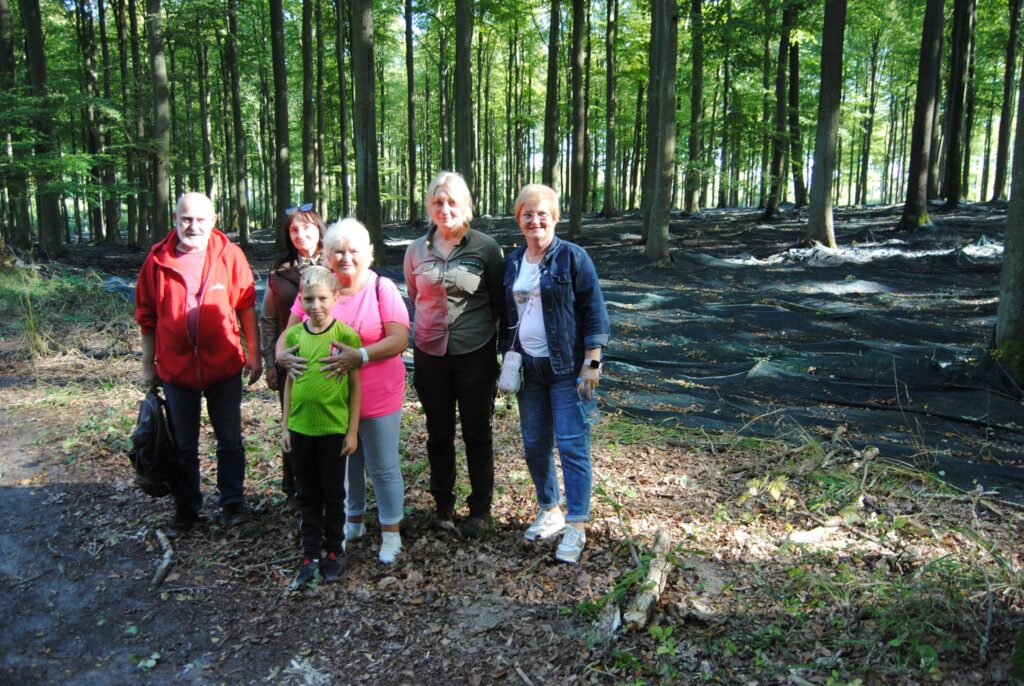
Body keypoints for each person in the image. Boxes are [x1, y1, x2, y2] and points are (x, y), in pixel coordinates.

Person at [278, 219, 410, 564]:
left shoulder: (382, 288)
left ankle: (391, 532)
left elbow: (399, 339)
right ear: (326, 255)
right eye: (338, 250)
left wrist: (361, 355)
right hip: (331, 403)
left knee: (382, 466)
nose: (346, 257)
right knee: (345, 464)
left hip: (379, 394)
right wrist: (281, 356)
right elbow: (288, 335)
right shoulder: (319, 288)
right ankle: (353, 522)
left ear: (368, 253)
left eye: (354, 250)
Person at [135, 192, 262, 537]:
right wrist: (149, 365)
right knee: (183, 445)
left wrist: (254, 353)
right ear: (175, 220)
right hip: (176, 371)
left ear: (214, 220)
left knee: (230, 440)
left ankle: (233, 503)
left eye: (201, 219)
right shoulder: (157, 260)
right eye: (186, 219)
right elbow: (147, 317)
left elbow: (246, 305)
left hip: (223, 366)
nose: (193, 226)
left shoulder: (230, 255)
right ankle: (187, 509)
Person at [501, 184, 610, 564]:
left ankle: (577, 524)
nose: (535, 220)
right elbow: (509, 318)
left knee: (571, 444)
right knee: (534, 443)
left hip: (568, 370)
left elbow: (595, 313)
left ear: (555, 217)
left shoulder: (573, 259)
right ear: (519, 219)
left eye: (542, 213)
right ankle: (550, 508)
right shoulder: (514, 261)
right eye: (527, 214)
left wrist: (592, 363)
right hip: (528, 370)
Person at [404, 171, 504, 538]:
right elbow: (415, 298)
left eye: (452, 202)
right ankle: (443, 507)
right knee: (438, 432)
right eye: (437, 202)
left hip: (475, 354)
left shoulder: (486, 249)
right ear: (429, 206)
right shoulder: (416, 251)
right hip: (430, 354)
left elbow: (497, 302)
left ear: (466, 206)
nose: (444, 209)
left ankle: (480, 509)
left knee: (477, 432)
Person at [281, 266, 362, 587]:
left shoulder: (345, 337)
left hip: (333, 431)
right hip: (301, 430)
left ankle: (334, 553)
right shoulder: (294, 336)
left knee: (333, 495)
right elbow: (289, 382)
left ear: (336, 298)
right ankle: (310, 554)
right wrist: (286, 426)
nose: (315, 305)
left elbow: (355, 387)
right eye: (309, 299)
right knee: (307, 494)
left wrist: (352, 430)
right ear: (301, 300)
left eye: (322, 298)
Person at [260, 203, 325, 502]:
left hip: (328, 358)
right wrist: (271, 361)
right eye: (294, 229)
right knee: (294, 424)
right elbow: (269, 318)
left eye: (307, 227)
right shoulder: (280, 269)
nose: (301, 234)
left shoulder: (336, 261)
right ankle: (295, 488)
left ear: (319, 229)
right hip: (292, 359)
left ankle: (331, 486)